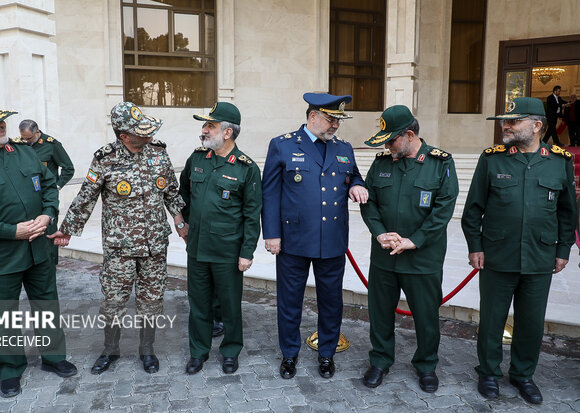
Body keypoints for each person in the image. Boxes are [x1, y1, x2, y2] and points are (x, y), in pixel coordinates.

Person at [49, 102, 186, 375]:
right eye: (141, 133)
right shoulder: (105, 158)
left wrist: (179, 219)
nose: (147, 136)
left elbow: (171, 190)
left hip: (155, 244)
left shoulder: (159, 153)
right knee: (114, 302)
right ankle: (110, 350)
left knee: (152, 299)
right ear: (124, 136)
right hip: (120, 248)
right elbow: (86, 197)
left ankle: (147, 351)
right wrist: (67, 228)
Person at [461, 97, 576, 404]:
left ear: (536, 125)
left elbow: (567, 211)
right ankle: (488, 372)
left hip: (540, 257)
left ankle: (523, 374)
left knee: (531, 321)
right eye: (504, 121)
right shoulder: (492, 159)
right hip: (498, 254)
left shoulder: (559, 160)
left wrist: (563, 248)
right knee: (492, 319)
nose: (505, 126)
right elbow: (473, 208)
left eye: (513, 121)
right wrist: (475, 245)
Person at [0, 94, 77, 398]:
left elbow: (49, 185)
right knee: (3, 314)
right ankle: (11, 369)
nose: (1, 126)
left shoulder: (23, 152)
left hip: (39, 248)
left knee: (46, 303)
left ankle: (53, 357)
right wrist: (11, 231)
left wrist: (47, 213)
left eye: (1, 120)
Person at [262, 93, 368, 379]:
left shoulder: (343, 148)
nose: (335, 125)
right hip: (293, 240)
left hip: (332, 240)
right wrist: (271, 234)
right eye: (331, 119)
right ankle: (289, 354)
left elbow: (353, 175)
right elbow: (270, 193)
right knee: (290, 301)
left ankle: (326, 354)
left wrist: (357, 185)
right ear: (312, 117)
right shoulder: (283, 145)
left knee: (331, 302)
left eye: (338, 120)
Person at [359, 105, 459, 393]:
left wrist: (415, 239)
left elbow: (443, 209)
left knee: (426, 316)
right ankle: (380, 360)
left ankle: (426, 366)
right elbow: (370, 204)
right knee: (379, 313)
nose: (387, 147)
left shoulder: (441, 163)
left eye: (391, 140)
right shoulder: (381, 163)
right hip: (384, 256)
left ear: (410, 135)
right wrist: (379, 234)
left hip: (422, 257)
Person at [178, 102, 262, 375]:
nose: (204, 130)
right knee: (198, 304)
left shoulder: (247, 167)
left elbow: (252, 214)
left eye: (210, 126)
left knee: (229, 306)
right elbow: (183, 195)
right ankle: (198, 352)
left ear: (227, 133)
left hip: (227, 250)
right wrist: (183, 222)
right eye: (204, 125)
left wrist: (247, 252)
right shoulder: (197, 159)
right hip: (198, 248)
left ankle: (230, 351)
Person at [19, 119, 75, 270]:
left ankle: (51, 263)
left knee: (49, 229)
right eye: (23, 138)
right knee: (31, 227)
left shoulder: (51, 144)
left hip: (47, 196)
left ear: (37, 132)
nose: (27, 142)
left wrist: (56, 186)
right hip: (28, 196)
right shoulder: (19, 145)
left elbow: (68, 168)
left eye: (29, 138)